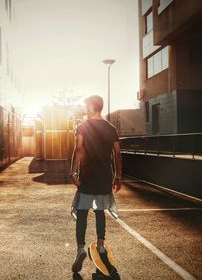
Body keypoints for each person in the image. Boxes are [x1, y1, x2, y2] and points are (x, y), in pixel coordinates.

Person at [70, 95, 122, 273]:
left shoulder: (83, 127)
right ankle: (100, 245)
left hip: (88, 176)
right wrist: (118, 176)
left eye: (87, 105)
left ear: (93, 106)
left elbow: (79, 149)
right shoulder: (111, 129)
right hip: (104, 176)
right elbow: (117, 154)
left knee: (82, 212)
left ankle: (80, 249)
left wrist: (74, 172)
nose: (85, 108)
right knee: (100, 212)